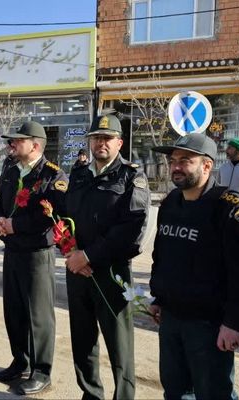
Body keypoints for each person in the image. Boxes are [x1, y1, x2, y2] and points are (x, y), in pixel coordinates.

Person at [150, 133, 239, 399]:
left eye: (185, 160)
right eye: (172, 160)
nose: (176, 166)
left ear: (207, 166)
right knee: (175, 391)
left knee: (214, 393)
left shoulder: (229, 208)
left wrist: (234, 322)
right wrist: (158, 297)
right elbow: (161, 256)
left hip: (210, 325)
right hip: (172, 319)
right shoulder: (170, 204)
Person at [65, 114, 150, 400]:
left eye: (107, 138)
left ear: (119, 143)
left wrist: (88, 256)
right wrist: (68, 249)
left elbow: (132, 231)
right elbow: (65, 218)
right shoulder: (78, 174)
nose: (101, 143)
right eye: (96, 138)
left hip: (110, 271)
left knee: (119, 344)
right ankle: (91, 393)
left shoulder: (131, 177)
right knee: (83, 338)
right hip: (76, 270)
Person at [0, 121, 68, 395]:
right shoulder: (11, 170)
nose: (11, 145)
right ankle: (20, 361)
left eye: (17, 141)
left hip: (36, 253)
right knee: (14, 310)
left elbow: (52, 215)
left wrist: (16, 226)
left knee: (38, 315)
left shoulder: (53, 176)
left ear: (35, 145)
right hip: (12, 250)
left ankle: (41, 371)